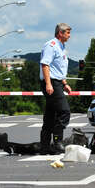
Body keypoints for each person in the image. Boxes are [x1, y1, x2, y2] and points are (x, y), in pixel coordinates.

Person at [39, 23, 72, 155]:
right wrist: (48, 84)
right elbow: (45, 65)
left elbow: (58, 68)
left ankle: (45, 146)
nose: (69, 36)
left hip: (57, 82)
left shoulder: (62, 46)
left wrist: (64, 83)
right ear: (60, 33)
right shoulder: (51, 45)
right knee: (64, 112)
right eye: (68, 33)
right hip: (51, 82)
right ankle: (57, 142)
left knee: (50, 116)